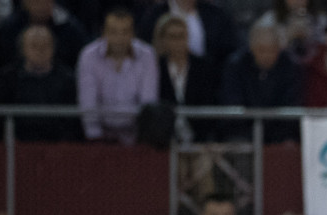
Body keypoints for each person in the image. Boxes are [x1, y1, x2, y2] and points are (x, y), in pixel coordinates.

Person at [77, 8, 158, 144]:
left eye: (125, 32)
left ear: (133, 33)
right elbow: (88, 101)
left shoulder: (147, 55)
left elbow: (148, 102)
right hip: (100, 136)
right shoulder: (89, 56)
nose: (119, 38)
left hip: (137, 135)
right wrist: (95, 138)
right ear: (104, 33)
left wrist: (143, 138)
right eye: (113, 32)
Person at [219, 21, 302, 143]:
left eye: (272, 50)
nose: (266, 55)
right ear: (251, 48)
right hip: (243, 133)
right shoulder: (236, 65)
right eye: (261, 50)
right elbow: (233, 104)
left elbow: (291, 104)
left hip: (280, 135)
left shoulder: (290, 66)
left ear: (279, 48)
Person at [0, 25, 78, 142]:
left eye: (45, 45)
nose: (40, 50)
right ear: (22, 49)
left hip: (56, 144)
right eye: (34, 45)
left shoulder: (66, 78)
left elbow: (71, 120)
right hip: (18, 142)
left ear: (54, 48)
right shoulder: (9, 77)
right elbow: (0, 114)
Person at [155, 13, 219, 142]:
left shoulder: (203, 67)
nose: (178, 42)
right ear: (163, 39)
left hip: (199, 136)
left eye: (181, 36)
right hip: (165, 138)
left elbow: (209, 103)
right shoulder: (156, 68)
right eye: (172, 37)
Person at [136, 0, 240, 69]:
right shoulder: (154, 14)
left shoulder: (216, 14)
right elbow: (145, 48)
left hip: (208, 79)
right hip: (164, 77)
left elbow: (229, 50)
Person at [0, 0, 88, 66]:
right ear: (25, 3)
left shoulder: (70, 29)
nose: (41, 6)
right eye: (36, 2)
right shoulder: (11, 28)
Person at [255, 0, 327, 63]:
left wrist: (309, 38)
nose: (297, 1)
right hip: (280, 66)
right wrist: (286, 38)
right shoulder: (269, 21)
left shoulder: (321, 20)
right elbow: (259, 51)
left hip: (313, 67)